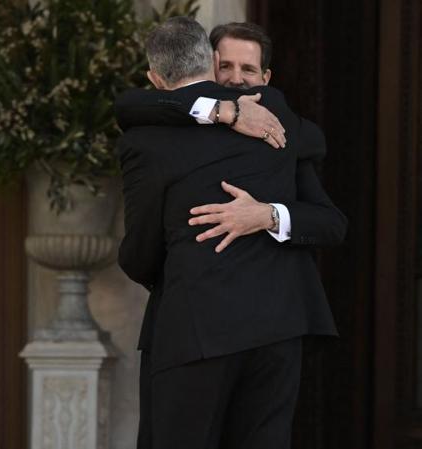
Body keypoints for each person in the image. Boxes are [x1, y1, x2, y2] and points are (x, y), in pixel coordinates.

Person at [115, 18, 347, 449]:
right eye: (228, 69)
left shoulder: (149, 138)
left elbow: (140, 253)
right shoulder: (266, 111)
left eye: (249, 71)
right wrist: (228, 111)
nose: (237, 81)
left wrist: (268, 215)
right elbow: (131, 104)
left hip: (202, 328)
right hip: (271, 332)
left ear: (155, 77)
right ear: (212, 62)